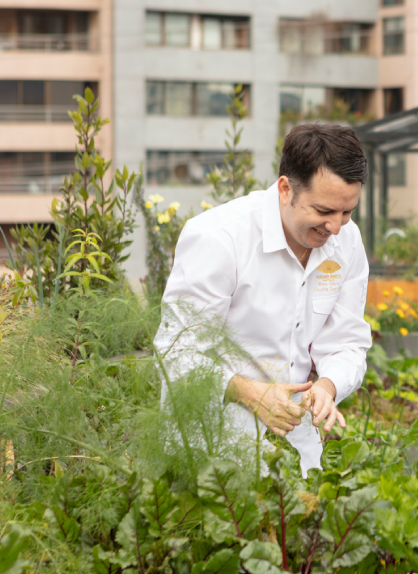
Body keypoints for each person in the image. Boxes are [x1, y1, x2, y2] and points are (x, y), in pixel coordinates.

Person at [153, 123, 372, 473]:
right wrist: (249, 392)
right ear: (285, 189)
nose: (335, 227)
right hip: (211, 448)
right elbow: (177, 352)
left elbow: (346, 339)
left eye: (347, 212)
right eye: (323, 211)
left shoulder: (346, 241)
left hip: (298, 451)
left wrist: (328, 387)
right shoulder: (219, 239)